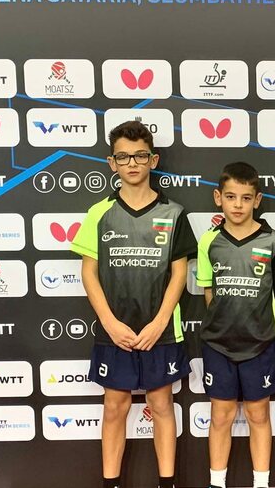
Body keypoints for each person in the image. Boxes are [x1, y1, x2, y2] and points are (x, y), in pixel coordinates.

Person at [72, 120, 194, 488]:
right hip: (116, 329)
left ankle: (167, 483)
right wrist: (109, 322)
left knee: (161, 405)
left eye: (140, 156)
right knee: (114, 407)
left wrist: (160, 322)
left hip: (161, 331)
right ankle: (110, 483)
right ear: (112, 163)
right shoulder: (99, 213)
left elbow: (180, 274)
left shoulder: (174, 213)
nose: (132, 164)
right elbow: (88, 273)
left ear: (153, 160)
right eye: (123, 157)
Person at [196, 162, 275, 488]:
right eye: (231, 197)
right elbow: (209, 290)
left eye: (246, 198)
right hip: (219, 344)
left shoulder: (273, 241)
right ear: (218, 198)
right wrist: (226, 321)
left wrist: (264, 323)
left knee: (258, 414)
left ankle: (261, 483)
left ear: (257, 200)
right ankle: (217, 483)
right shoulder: (209, 241)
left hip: (260, 344)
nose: (238, 205)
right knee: (220, 416)